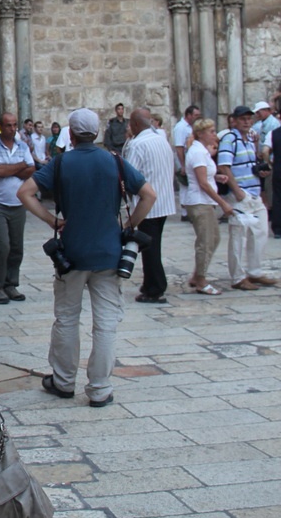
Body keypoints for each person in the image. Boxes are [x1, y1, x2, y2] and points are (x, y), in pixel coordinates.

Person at [18, 108, 156, 408]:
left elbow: (25, 192)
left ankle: (64, 380)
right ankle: (100, 388)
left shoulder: (61, 162)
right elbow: (149, 195)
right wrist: (129, 225)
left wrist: (52, 220)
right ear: (97, 132)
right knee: (105, 324)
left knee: (67, 318)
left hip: (72, 253)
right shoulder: (114, 161)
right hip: (109, 252)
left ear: (71, 133)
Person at [216, 106, 277, 291]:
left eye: (249, 119)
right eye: (243, 119)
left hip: (254, 191)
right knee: (239, 236)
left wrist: (260, 172)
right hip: (240, 194)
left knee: (260, 231)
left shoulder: (250, 140)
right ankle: (238, 276)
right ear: (234, 120)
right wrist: (237, 191)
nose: (247, 122)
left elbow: (250, 164)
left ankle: (255, 271)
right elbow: (224, 166)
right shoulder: (230, 139)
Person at [123, 108, 177, 303]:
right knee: (152, 245)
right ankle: (150, 284)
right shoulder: (161, 140)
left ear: (136, 124)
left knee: (150, 249)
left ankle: (155, 288)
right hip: (164, 201)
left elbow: (130, 175)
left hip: (148, 204)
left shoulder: (138, 144)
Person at [0, 112, 35, 304]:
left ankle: (10, 283)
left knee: (16, 247)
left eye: (14, 125)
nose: (12, 129)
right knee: (2, 245)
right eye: (8, 125)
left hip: (18, 202)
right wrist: (20, 165)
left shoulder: (22, 146)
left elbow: (31, 169)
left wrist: (10, 168)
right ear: (0, 126)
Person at [182, 118, 234, 293]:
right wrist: (223, 203)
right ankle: (201, 280)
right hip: (200, 201)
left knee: (214, 238)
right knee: (205, 241)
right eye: (211, 131)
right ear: (201, 134)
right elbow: (202, 182)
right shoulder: (198, 152)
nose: (214, 135)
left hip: (204, 201)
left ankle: (197, 275)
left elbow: (204, 176)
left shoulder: (202, 152)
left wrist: (216, 177)